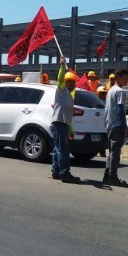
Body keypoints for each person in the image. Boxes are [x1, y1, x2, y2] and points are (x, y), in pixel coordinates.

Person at [50, 56, 81, 184]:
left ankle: (56, 172)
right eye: (69, 81)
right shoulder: (61, 90)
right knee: (62, 149)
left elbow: (68, 116)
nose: (71, 83)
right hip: (58, 123)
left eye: (73, 81)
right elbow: (60, 79)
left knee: (58, 149)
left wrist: (70, 130)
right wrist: (62, 66)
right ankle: (65, 174)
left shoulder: (69, 96)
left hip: (62, 124)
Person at [103, 69, 128, 186]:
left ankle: (107, 176)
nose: (127, 80)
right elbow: (120, 110)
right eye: (125, 78)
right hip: (117, 125)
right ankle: (112, 177)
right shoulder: (120, 91)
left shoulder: (110, 90)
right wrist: (125, 127)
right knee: (115, 153)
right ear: (118, 77)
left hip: (110, 124)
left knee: (111, 152)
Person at [96, 86, 108, 157]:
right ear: (98, 93)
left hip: (104, 122)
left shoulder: (107, 101)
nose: (103, 94)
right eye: (102, 93)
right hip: (96, 122)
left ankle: (102, 152)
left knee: (103, 137)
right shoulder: (94, 100)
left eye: (104, 93)